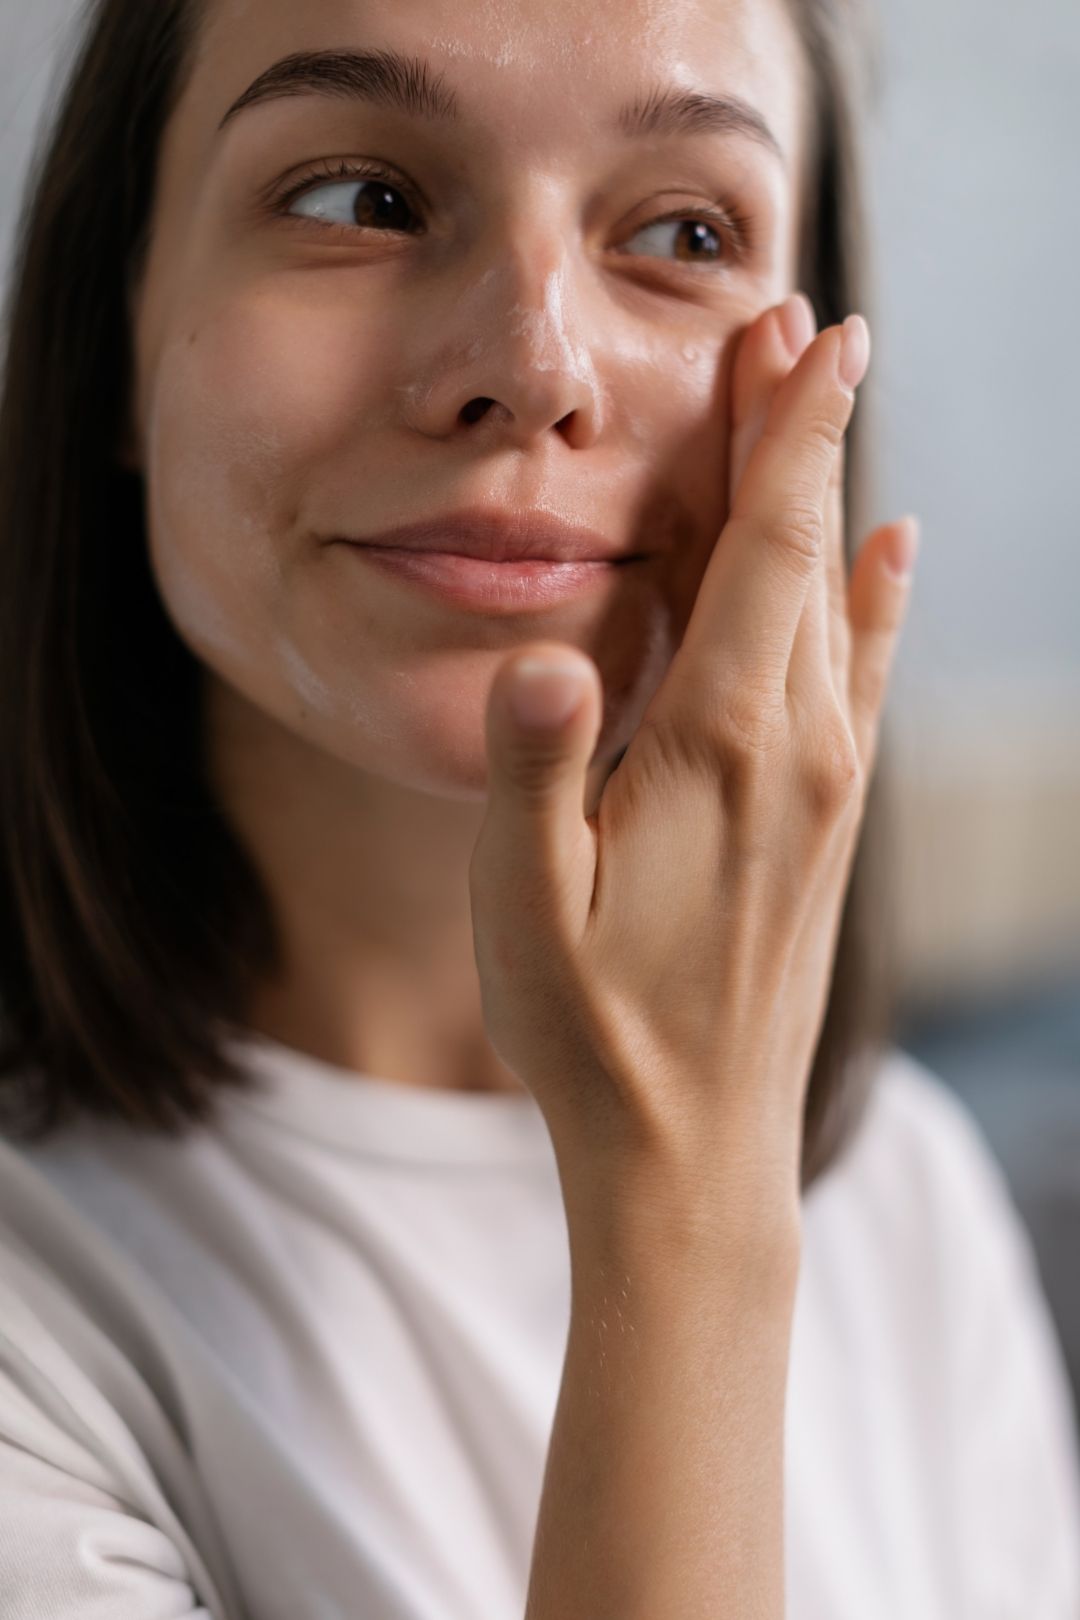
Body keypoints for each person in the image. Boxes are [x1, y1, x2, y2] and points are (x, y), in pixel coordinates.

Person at [0, 0, 1077, 1614]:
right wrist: (684, 1224)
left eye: (684, 230)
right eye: (358, 197)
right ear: (114, 340)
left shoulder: (904, 1192)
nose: (531, 366)